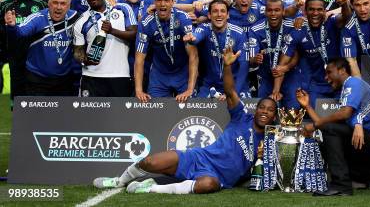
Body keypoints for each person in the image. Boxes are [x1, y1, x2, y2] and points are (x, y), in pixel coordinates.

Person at [93, 47, 277, 194]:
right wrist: (227, 66)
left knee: (207, 185)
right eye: (262, 107)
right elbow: (230, 91)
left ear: (274, 116)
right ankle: (119, 181)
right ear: (256, 110)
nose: (264, 112)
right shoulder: (241, 117)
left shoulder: (271, 140)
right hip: (198, 157)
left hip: (217, 176)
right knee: (150, 162)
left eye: (269, 110)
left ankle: (152, 188)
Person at [296, 58, 370, 196]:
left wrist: (314, 125)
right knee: (330, 143)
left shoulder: (353, 82)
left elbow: (344, 114)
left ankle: (341, 186)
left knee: (332, 131)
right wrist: (307, 106)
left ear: (342, 70)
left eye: (329, 73)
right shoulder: (347, 91)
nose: (326, 78)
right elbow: (329, 125)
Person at [73, 0, 138, 97]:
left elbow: (134, 35)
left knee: (119, 117)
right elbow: (78, 51)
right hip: (91, 76)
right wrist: (86, 60)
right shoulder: (81, 21)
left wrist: (112, 31)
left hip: (119, 75)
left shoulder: (122, 9)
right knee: (89, 116)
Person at [4, 0, 79, 96]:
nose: (58, 7)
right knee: (38, 114)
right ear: (49, 3)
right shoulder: (37, 18)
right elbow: (21, 32)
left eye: (63, 4)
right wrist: (12, 26)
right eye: (55, 3)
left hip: (65, 81)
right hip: (37, 81)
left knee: (62, 113)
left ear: (68, 6)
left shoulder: (75, 17)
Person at [275, 0, 348, 106]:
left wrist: (345, 4)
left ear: (325, 11)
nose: (315, 13)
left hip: (340, 82)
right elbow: (282, 64)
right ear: (305, 11)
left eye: (319, 10)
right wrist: (276, 91)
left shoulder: (332, 22)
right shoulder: (298, 31)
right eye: (311, 9)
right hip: (317, 84)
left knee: (344, 114)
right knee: (317, 113)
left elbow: (346, 18)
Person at [134, 0, 198, 102]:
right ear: (154, 2)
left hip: (183, 73)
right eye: (159, 0)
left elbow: (193, 55)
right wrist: (138, 90)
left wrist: (190, 88)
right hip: (159, 75)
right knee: (157, 115)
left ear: (173, 2)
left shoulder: (183, 18)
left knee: (188, 112)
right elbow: (139, 58)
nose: (162, 4)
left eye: (166, 0)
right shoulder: (146, 23)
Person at [0, 0, 49, 106]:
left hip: (38, 59)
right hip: (16, 60)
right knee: (18, 103)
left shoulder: (42, 1)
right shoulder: (4, 4)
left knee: (38, 102)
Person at [186, 0, 250, 98]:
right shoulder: (204, 28)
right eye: (215, 11)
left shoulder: (239, 33)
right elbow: (196, 36)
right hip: (210, 86)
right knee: (197, 111)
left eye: (223, 11)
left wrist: (233, 92)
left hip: (235, 84)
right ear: (209, 15)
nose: (219, 14)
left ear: (228, 15)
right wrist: (192, 39)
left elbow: (244, 66)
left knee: (242, 111)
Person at [248, 0, 300, 107]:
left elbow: (296, 54)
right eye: (270, 10)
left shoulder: (293, 26)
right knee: (263, 106)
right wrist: (255, 59)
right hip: (265, 75)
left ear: (283, 11)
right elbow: (251, 60)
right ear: (265, 12)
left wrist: (286, 68)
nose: (273, 14)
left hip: (289, 73)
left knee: (294, 106)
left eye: (277, 10)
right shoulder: (255, 29)